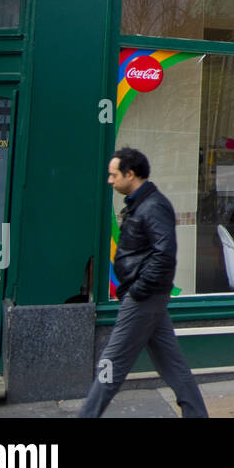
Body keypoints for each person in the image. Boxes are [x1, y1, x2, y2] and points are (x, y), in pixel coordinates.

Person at [80, 147, 208, 417]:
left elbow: (165, 254)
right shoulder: (141, 204)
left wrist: (138, 290)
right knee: (172, 363)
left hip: (143, 297)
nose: (110, 180)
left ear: (131, 174)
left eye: (114, 175)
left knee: (110, 362)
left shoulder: (154, 205)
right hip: (147, 296)